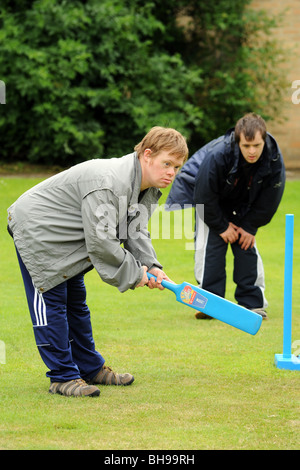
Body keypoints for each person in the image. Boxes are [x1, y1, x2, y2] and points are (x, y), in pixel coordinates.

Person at [7, 126, 188, 397]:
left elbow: (134, 229)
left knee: (76, 302)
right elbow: (101, 243)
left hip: (69, 237)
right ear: (147, 155)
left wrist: (151, 266)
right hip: (37, 229)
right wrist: (136, 274)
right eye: (167, 164)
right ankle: (62, 377)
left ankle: (90, 368)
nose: (172, 173)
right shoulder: (110, 182)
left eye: (177, 166)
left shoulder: (143, 186)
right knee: (52, 302)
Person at [166, 113, 285, 320]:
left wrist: (250, 227)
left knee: (246, 244)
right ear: (238, 141)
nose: (252, 151)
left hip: (242, 200)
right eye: (246, 146)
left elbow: (271, 197)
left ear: (263, 140)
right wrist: (221, 227)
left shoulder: (273, 156)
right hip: (207, 198)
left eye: (256, 145)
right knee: (210, 247)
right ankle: (209, 304)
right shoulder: (217, 154)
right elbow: (203, 195)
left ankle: (253, 303)